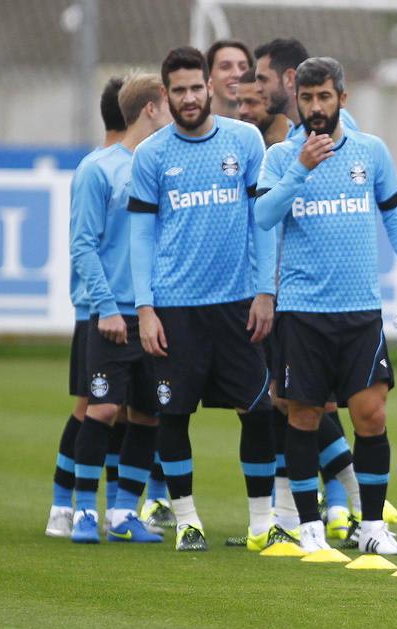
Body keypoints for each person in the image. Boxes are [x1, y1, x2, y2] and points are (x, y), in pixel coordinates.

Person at [255, 57, 397, 554]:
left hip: (359, 311)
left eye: (324, 97)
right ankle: (309, 527)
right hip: (303, 311)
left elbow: (396, 216)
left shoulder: (370, 152)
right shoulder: (280, 157)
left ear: (342, 99)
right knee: (305, 416)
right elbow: (263, 216)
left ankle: (372, 527)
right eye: (307, 99)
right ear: (298, 102)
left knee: (371, 415)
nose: (315, 108)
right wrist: (300, 170)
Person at [128, 46, 280, 552]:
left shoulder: (245, 140)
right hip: (175, 307)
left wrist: (265, 291)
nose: (189, 98)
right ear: (166, 96)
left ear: (210, 88)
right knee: (173, 415)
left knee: (258, 412)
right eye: (179, 91)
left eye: (197, 88)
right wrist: (145, 308)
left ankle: (262, 525)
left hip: (238, 303)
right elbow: (141, 236)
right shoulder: (151, 155)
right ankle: (188, 521)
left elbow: (262, 220)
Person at [252, 37, 371, 545]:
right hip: (283, 296)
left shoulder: (353, 144)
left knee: (310, 405)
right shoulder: (272, 146)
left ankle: (345, 506)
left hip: (324, 300)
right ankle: (299, 515)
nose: (250, 90)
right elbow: (263, 217)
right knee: (287, 402)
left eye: (259, 79)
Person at [68, 74, 173, 543]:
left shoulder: (166, 167)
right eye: (169, 104)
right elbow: (83, 246)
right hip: (113, 316)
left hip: (159, 315)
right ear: (151, 109)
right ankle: (85, 511)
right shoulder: (100, 169)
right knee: (104, 408)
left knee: (149, 413)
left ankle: (124, 514)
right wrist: (106, 307)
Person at [45, 76, 127, 538]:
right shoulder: (97, 168)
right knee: (90, 406)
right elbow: (85, 244)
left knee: (120, 408)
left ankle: (116, 506)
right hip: (96, 307)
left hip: (124, 307)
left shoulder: (130, 164)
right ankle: (63, 502)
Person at [207, 39, 252, 119]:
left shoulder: (262, 128)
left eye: (243, 67)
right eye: (225, 67)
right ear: (208, 75)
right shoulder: (193, 128)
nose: (237, 74)